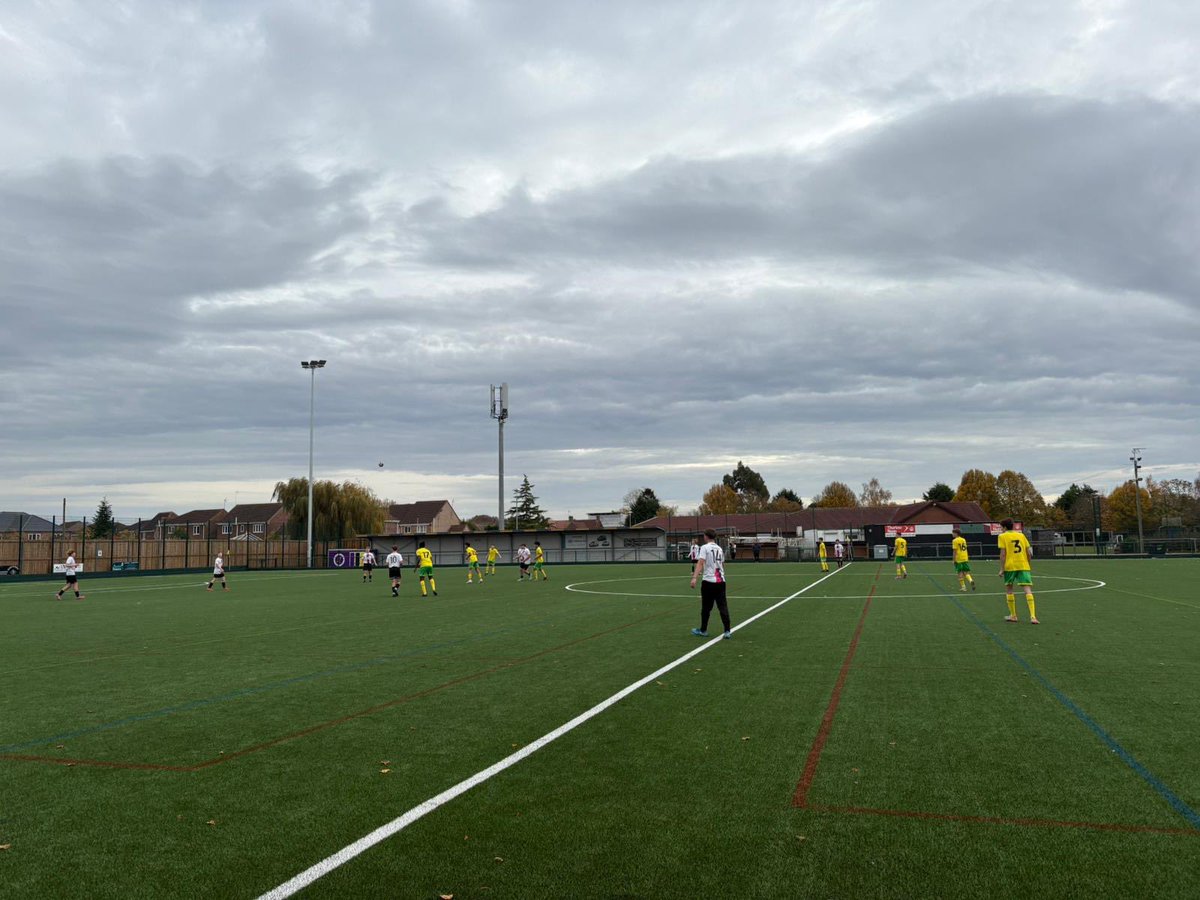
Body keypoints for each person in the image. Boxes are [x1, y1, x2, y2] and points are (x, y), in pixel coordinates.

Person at [689, 529, 731, 639]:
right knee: (723, 606)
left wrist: (694, 577)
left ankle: (703, 630)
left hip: (708, 581)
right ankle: (727, 631)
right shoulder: (719, 548)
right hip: (721, 581)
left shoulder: (704, 547)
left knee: (706, 607)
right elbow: (722, 564)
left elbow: (700, 562)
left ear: (706, 536)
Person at [998, 519, 1037, 624]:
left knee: (1009, 589)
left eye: (1001, 527)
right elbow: (1028, 553)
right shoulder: (1021, 535)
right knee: (1027, 589)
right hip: (1023, 565)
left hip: (1010, 566)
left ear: (1005, 527)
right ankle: (1033, 617)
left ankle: (1013, 615)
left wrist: (1002, 569)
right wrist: (1028, 564)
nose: (1001, 529)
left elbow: (1003, 554)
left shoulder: (1002, 536)